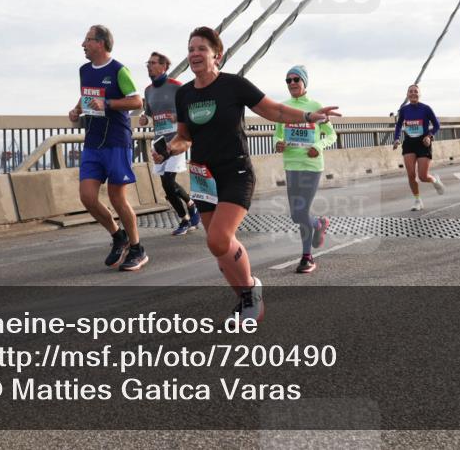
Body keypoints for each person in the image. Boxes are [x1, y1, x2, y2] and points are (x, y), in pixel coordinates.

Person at [155, 27, 338, 323]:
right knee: (218, 246)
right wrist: (169, 149)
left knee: (218, 239)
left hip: (235, 171)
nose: (194, 54)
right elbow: (184, 137)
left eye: (201, 48)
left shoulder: (234, 85)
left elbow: (275, 111)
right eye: (190, 49)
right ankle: (245, 301)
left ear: (217, 55)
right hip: (203, 176)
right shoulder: (185, 94)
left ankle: (252, 290)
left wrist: (307, 116)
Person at [68, 25, 147, 271]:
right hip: (92, 142)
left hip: (116, 141)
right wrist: (77, 109)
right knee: (87, 197)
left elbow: (137, 101)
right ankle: (117, 236)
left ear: (100, 43)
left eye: (87, 40)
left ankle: (137, 248)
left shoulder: (118, 70)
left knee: (116, 197)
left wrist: (107, 104)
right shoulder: (84, 70)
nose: (83, 44)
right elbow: (86, 96)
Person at [273, 65, 337, 274]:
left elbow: (331, 135)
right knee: (295, 215)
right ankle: (318, 224)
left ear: (304, 82)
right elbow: (277, 134)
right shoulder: (284, 107)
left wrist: (318, 147)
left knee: (301, 211)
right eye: (288, 80)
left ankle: (307, 257)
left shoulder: (315, 106)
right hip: (291, 165)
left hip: (311, 166)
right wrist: (279, 142)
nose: (292, 83)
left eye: (296, 79)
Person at [140, 51, 200, 236]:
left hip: (176, 140)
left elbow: (190, 109)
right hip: (159, 141)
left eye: (153, 63)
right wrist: (144, 118)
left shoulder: (177, 87)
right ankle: (190, 206)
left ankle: (184, 218)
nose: (149, 66)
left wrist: (178, 116)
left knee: (168, 181)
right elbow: (149, 112)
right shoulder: (148, 90)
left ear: (164, 66)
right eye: (147, 63)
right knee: (166, 185)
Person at [393, 85, 445, 211]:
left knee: (422, 176)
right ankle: (417, 200)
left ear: (419, 94)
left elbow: (437, 125)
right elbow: (399, 125)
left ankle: (434, 180)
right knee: (411, 175)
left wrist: (429, 136)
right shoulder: (404, 110)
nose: (413, 94)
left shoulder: (426, 109)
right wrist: (396, 138)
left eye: (415, 91)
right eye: (410, 92)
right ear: (407, 95)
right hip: (409, 143)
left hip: (423, 143)